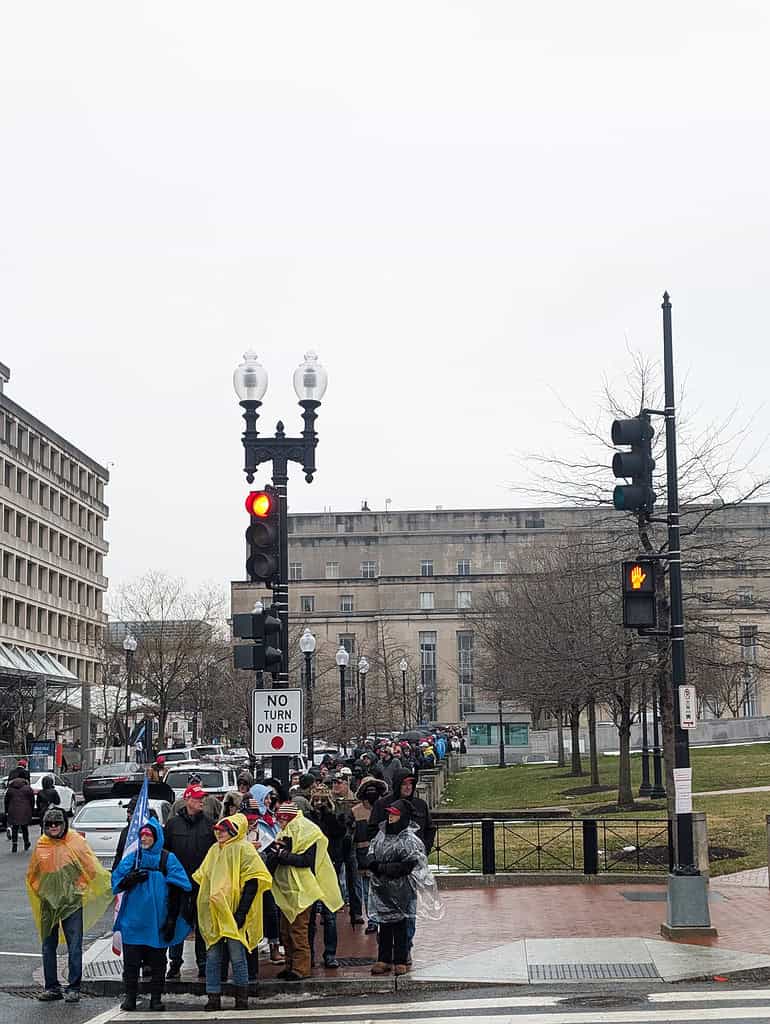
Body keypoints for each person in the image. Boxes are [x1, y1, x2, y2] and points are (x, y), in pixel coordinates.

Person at [27, 808, 112, 1003]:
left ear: (64, 824)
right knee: (48, 946)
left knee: (74, 946)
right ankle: (52, 987)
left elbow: (91, 869)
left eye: (57, 823)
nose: (54, 827)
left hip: (72, 903)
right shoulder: (41, 845)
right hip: (48, 905)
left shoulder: (76, 843)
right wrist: (43, 892)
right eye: (49, 824)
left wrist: (76, 888)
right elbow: (33, 875)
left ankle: (74, 987)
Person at [193, 813, 272, 1012]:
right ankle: (213, 997)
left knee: (237, 956)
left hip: (235, 912)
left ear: (234, 831)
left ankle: (241, 999)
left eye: (224, 830)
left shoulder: (244, 849)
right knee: (213, 956)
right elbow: (204, 878)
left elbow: (253, 881)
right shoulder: (214, 850)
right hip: (215, 912)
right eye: (218, 830)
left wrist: (241, 913)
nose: (219, 834)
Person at [112, 818, 192, 1012]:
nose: (144, 838)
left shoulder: (167, 858)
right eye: (142, 835)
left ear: (157, 837)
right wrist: (129, 880)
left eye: (148, 835)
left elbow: (181, 887)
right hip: (133, 921)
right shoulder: (133, 858)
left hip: (157, 921)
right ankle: (130, 997)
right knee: (131, 964)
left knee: (158, 963)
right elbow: (116, 880)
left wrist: (172, 919)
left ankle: (156, 998)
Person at [266, 802, 342, 981]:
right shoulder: (288, 832)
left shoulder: (308, 833)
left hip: (303, 889)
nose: (281, 823)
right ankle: (290, 965)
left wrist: (283, 855)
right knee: (286, 930)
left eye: (283, 819)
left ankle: (301, 968)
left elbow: (307, 860)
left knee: (298, 930)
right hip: (288, 890)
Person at [367, 800, 429, 976]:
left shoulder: (409, 839)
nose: (390, 817)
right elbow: (371, 853)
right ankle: (384, 958)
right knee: (384, 924)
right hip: (382, 888)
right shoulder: (382, 834)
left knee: (400, 925)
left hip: (401, 888)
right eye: (389, 813)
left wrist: (385, 868)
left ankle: (400, 959)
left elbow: (409, 864)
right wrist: (375, 865)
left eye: (394, 814)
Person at [164, 784, 216, 980]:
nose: (201, 801)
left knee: (202, 925)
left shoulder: (210, 824)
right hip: (178, 884)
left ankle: (203, 963)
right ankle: (174, 963)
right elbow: (166, 852)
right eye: (197, 798)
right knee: (177, 923)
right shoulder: (173, 825)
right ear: (187, 800)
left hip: (201, 884)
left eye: (202, 798)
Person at [352, 776, 387, 933]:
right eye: (368, 790)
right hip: (363, 855)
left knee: (382, 890)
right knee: (367, 891)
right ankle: (372, 920)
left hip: (383, 856)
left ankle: (382, 918)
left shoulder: (386, 809)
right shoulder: (355, 811)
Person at [329, 773, 364, 925]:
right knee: (332, 878)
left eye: (340, 782)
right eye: (334, 782)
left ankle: (356, 911)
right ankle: (332, 906)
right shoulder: (328, 800)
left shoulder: (353, 800)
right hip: (333, 844)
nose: (336, 785)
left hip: (351, 845)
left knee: (354, 879)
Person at [6, 770, 35, 852]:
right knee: (24, 827)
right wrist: (31, 810)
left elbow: (6, 800)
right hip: (25, 810)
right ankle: (26, 843)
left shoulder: (10, 789)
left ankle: (14, 844)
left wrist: (7, 811)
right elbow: (32, 800)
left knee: (14, 827)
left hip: (13, 810)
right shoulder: (28, 788)